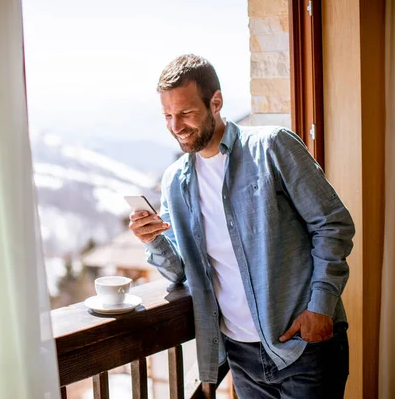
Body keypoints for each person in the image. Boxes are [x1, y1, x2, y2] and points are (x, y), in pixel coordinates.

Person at [129, 54, 354, 399]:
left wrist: (320, 307)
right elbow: (178, 273)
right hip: (240, 356)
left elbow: (333, 225)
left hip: (304, 347)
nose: (176, 126)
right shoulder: (175, 182)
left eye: (186, 113)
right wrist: (153, 241)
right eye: (168, 116)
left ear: (215, 102)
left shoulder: (272, 146)